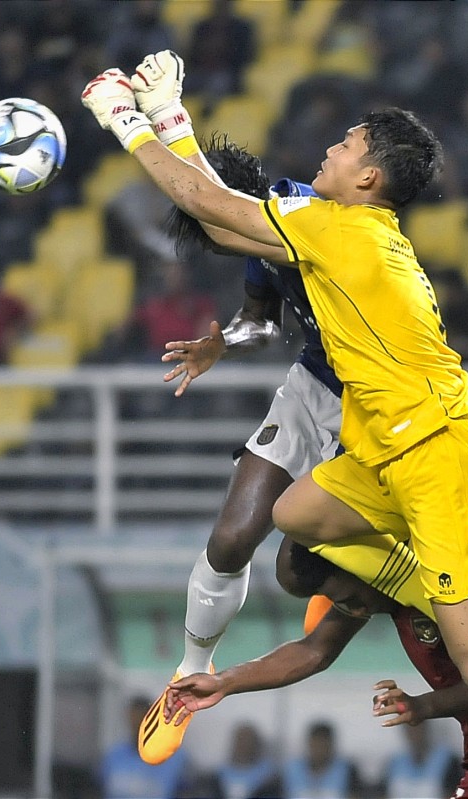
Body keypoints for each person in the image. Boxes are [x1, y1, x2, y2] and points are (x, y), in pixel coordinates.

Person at [83, 50, 468, 798]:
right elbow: (221, 218)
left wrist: (126, 119)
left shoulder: (341, 230)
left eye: (345, 145)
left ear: (369, 177)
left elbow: (205, 202)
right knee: (295, 513)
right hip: (387, 448)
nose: (329, 150)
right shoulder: (348, 229)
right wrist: (170, 114)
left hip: (440, 457)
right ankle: (417, 582)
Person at [135, 136, 348, 765]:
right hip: (311, 387)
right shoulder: (261, 235)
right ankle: (187, 674)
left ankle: (342, 576)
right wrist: (222, 344)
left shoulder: (306, 217)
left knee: (295, 571)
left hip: (373, 405)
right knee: (231, 539)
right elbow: (263, 320)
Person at [166, 539, 468, 799]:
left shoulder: (443, 593)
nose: (351, 609)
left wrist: (423, 706)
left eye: (350, 596)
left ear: (367, 571)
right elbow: (313, 651)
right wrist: (223, 682)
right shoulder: (381, 591)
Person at [100, 695, 188, 799]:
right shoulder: (113, 757)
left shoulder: (175, 759)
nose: (137, 726)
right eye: (133, 720)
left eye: (141, 720)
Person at [379, 721, 459, 799]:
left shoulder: (448, 761)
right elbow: (383, 794)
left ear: (426, 728)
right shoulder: (394, 763)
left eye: (418, 727)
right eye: (410, 728)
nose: (414, 732)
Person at [214, 722, 281, 799]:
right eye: (240, 741)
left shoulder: (268, 773)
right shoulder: (221, 772)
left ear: (256, 744)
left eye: (248, 741)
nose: (244, 745)